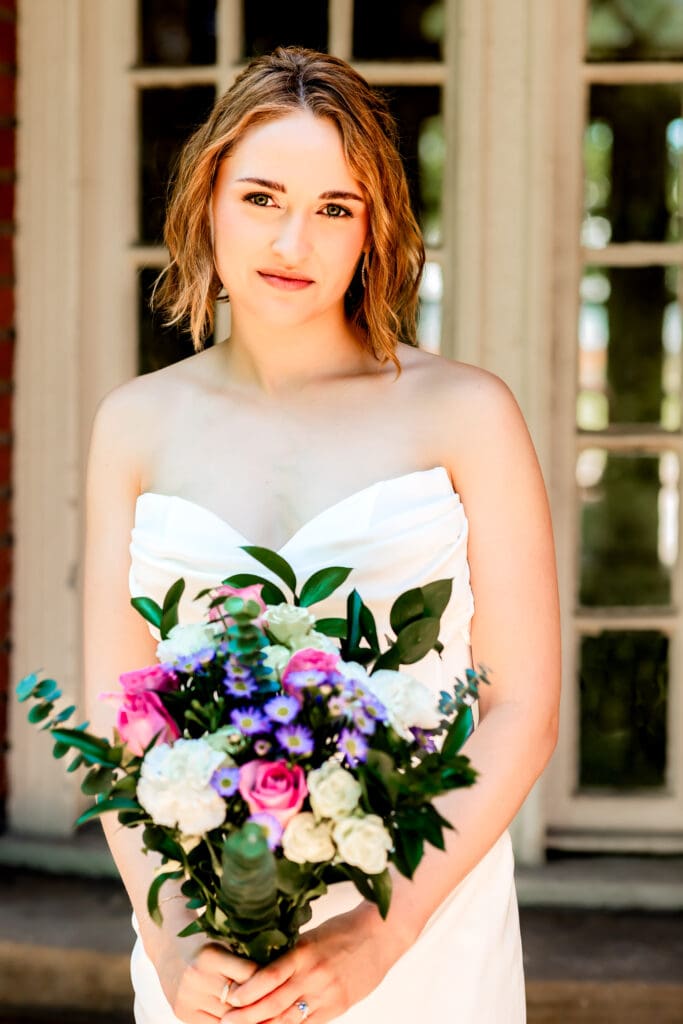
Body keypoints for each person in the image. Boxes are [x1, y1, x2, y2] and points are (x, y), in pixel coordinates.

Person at [84, 46, 560, 1024]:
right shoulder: (133, 423)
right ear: (207, 198)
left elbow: (522, 706)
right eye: (261, 196)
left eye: (333, 208)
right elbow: (120, 717)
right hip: (209, 946)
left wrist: (378, 933)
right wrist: (174, 940)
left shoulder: (467, 412)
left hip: (421, 928)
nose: (291, 239)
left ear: (372, 227)